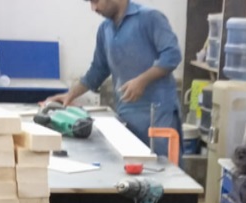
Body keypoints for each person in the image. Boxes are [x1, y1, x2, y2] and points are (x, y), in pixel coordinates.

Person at [46, 0, 183, 156]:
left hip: (158, 117)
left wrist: (142, 81)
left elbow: (172, 55)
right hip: (127, 115)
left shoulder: (150, 18)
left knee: (163, 166)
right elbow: (98, 69)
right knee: (133, 164)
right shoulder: (105, 29)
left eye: (95, 1)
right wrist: (70, 95)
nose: (93, 8)